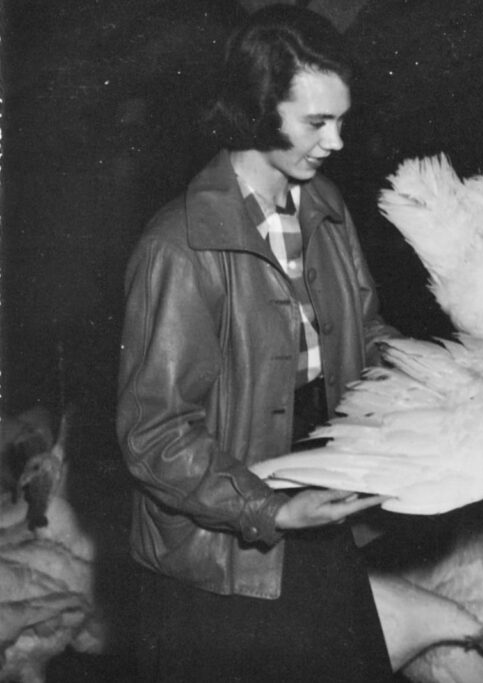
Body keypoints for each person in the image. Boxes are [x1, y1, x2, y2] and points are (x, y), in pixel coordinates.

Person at [116, 5, 398, 681]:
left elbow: (369, 337)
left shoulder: (326, 209)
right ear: (256, 108)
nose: (335, 140)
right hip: (223, 558)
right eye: (316, 122)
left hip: (319, 512)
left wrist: (441, 383)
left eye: (342, 118)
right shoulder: (179, 244)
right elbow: (154, 435)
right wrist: (271, 508)